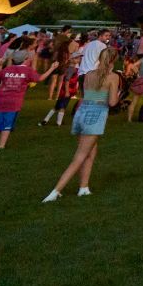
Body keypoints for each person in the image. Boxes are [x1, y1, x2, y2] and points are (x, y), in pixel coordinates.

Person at [42, 44, 122, 202]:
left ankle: (84, 188)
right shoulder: (113, 77)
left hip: (81, 112)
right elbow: (112, 102)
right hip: (96, 115)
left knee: (90, 153)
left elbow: (87, 95)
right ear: (114, 61)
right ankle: (55, 191)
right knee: (80, 156)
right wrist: (118, 94)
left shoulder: (89, 74)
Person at [0, 51, 40, 149]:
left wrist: (0, 66)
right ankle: (1, 146)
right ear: (25, 59)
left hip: (1, 101)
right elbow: (38, 79)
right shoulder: (27, 71)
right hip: (14, 102)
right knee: (7, 125)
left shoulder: (7, 69)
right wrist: (51, 68)